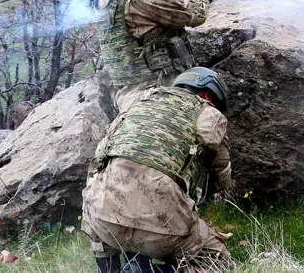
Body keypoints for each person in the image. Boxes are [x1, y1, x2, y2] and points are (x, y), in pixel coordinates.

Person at [82, 67, 233, 273]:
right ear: (208, 94)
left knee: (98, 187)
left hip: (103, 222)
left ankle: (108, 269)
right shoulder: (209, 114)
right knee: (217, 262)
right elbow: (221, 174)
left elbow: (100, 157)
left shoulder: (139, 100)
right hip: (161, 227)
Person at [90, 0, 224, 113]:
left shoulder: (103, 0)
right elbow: (194, 16)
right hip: (162, 93)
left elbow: (152, 20)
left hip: (131, 98)